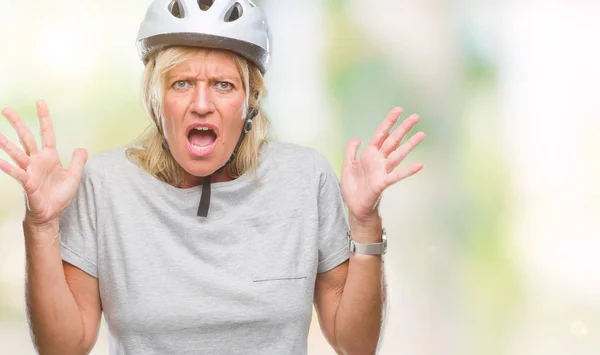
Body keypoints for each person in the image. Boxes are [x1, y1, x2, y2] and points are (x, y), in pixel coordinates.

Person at [0, 0, 426, 354]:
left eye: (223, 85)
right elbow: (63, 347)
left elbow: (357, 344)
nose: (201, 104)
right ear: (155, 99)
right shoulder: (105, 184)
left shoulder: (304, 178)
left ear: (250, 101)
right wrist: (41, 225)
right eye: (181, 83)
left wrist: (366, 222)